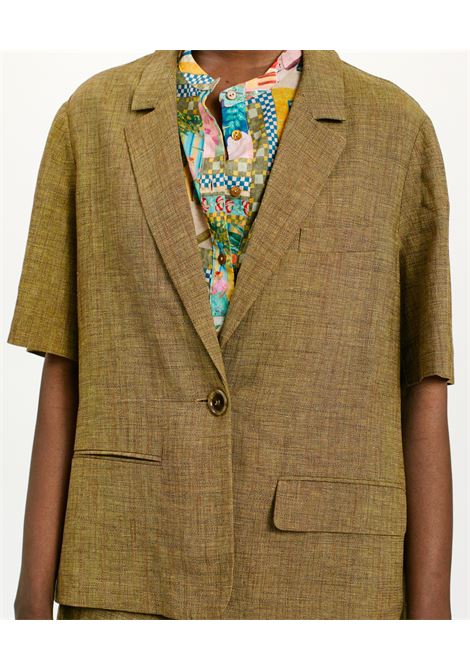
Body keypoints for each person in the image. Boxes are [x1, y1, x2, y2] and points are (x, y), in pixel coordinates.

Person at [8, 50, 454, 620]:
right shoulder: (90, 120)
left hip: (332, 583)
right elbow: (63, 365)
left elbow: (424, 380)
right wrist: (29, 610)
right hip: (126, 574)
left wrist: (433, 625)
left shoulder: (396, 130)